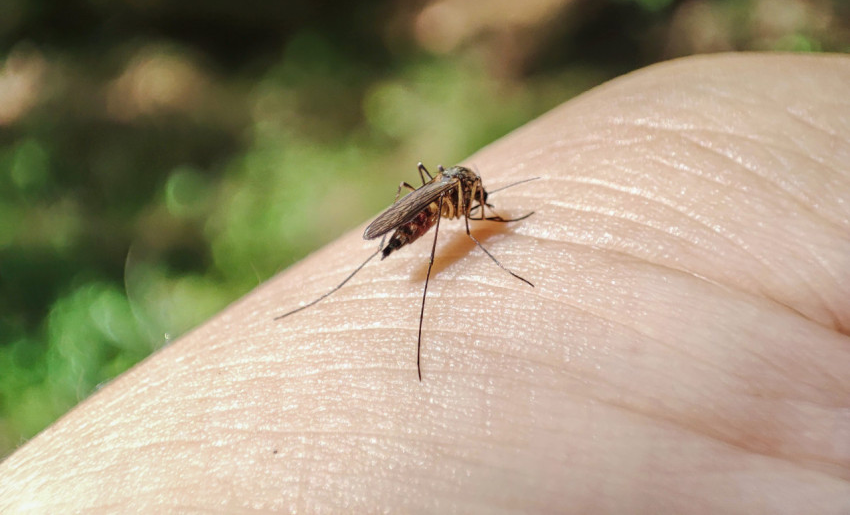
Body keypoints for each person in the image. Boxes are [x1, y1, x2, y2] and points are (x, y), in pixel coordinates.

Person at [2, 53, 848, 513]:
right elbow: (446, 214)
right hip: (406, 236)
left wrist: (486, 221)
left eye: (461, 196)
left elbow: (468, 209)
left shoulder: (461, 195)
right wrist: (475, 233)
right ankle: (361, 308)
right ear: (453, 192)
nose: (467, 202)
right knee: (436, 262)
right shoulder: (443, 203)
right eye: (466, 195)